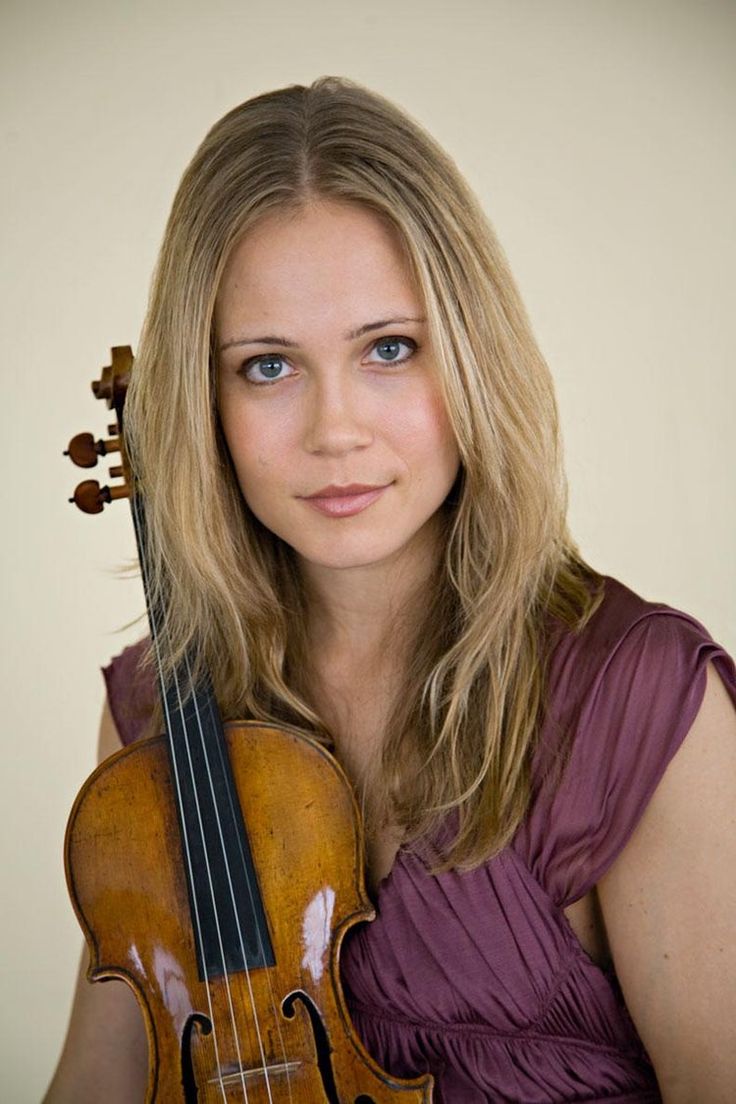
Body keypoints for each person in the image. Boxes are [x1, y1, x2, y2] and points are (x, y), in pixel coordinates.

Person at [44, 76, 736, 1104]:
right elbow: (99, 1080)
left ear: (471, 356)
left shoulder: (638, 703)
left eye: (390, 349)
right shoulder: (155, 712)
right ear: (202, 398)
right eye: (268, 366)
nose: (336, 431)